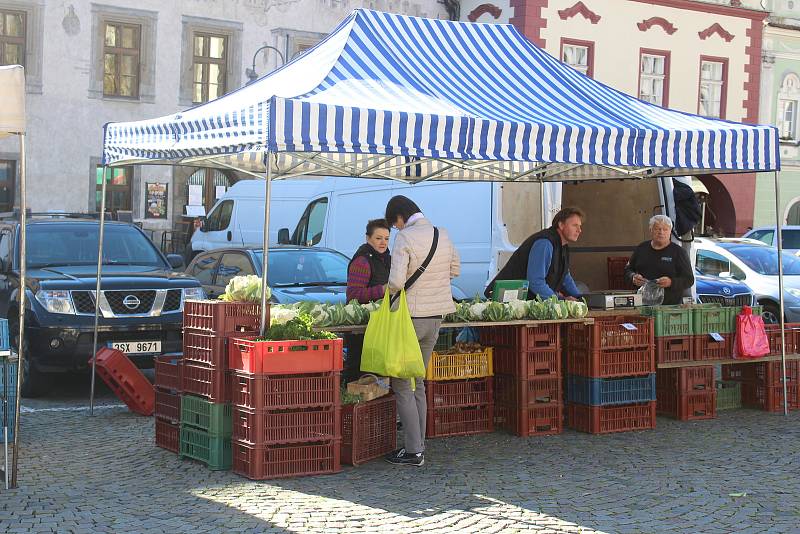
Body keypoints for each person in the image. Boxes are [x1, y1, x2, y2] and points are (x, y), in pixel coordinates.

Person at [383, 195, 459, 467]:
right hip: (436, 316)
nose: (396, 229)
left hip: (410, 318)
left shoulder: (405, 238)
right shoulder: (443, 234)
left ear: (400, 217)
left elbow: (395, 282)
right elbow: (455, 270)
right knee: (419, 381)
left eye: (395, 224)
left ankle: (414, 451)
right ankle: (419, 445)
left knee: (402, 383)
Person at [486, 207, 584, 301]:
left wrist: (581, 299)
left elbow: (565, 277)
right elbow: (535, 282)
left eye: (580, 226)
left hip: (527, 302)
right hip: (507, 302)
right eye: (575, 225)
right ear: (561, 225)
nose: (579, 230)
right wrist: (559, 300)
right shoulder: (545, 243)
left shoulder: (563, 246)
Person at [343, 219, 391, 384]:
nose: (383, 242)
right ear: (368, 238)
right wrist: (382, 290)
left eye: (386, 238)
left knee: (377, 378)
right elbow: (353, 296)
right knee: (360, 376)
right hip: (361, 331)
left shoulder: (386, 260)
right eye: (378, 238)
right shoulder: (362, 261)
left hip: (378, 327)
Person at [625, 215, 694, 305]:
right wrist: (633, 277)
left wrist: (671, 282)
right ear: (650, 230)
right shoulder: (641, 248)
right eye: (657, 229)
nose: (661, 232)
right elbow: (628, 270)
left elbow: (689, 280)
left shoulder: (679, 252)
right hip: (642, 304)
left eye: (665, 229)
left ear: (670, 232)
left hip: (669, 306)